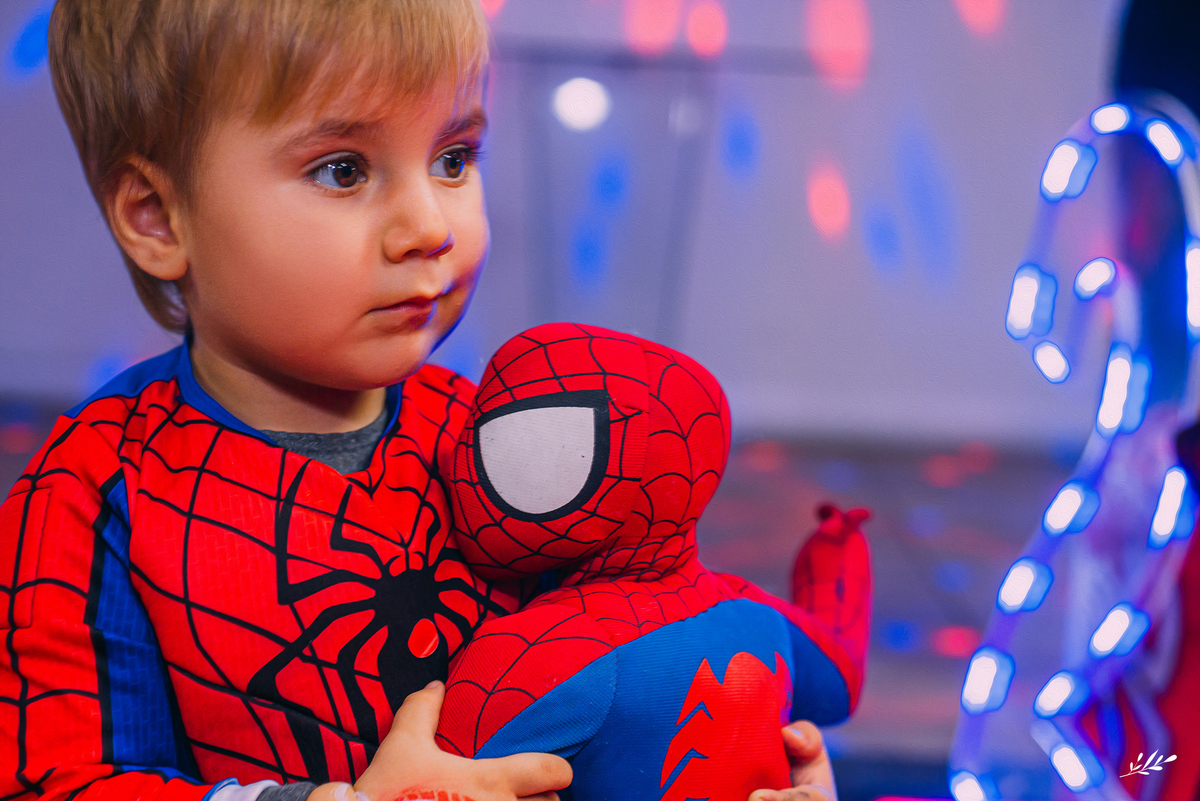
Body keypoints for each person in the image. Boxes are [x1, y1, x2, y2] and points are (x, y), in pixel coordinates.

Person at [0, 1, 840, 800]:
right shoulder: (90, 494)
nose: (428, 225)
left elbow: (620, 658)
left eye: (453, 158)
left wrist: (746, 761)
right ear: (157, 218)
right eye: (343, 169)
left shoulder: (496, 435)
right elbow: (56, 779)